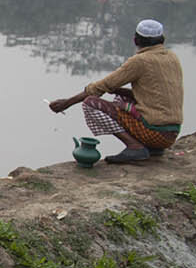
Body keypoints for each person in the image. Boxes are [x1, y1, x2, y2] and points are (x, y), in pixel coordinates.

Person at [48, 18, 183, 163]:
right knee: (121, 99)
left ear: (135, 40)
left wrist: (66, 103)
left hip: (155, 132)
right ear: (162, 40)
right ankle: (152, 148)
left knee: (90, 103)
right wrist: (118, 90)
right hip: (171, 134)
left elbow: (98, 88)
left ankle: (134, 147)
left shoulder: (140, 61)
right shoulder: (172, 57)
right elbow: (152, 96)